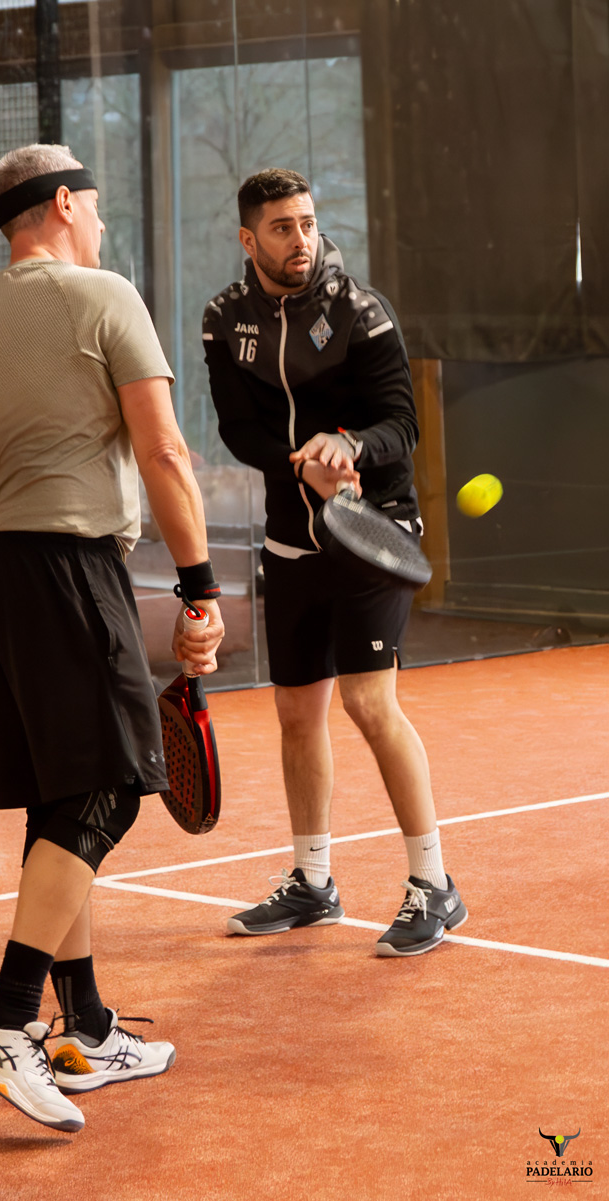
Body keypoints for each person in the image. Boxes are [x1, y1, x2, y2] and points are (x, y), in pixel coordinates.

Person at [0, 143, 224, 1132]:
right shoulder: (103, 296)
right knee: (106, 788)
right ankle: (6, 1020)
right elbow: (163, 448)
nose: (101, 218)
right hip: (67, 572)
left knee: (57, 799)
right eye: (93, 201)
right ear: (60, 206)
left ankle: (83, 1027)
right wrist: (200, 588)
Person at [202, 168, 466, 956]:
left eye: (307, 223)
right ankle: (312, 882)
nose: (300, 240)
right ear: (248, 239)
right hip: (292, 538)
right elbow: (237, 428)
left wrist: (346, 447)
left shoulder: (359, 311)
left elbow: (401, 423)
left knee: (367, 702)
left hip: (373, 527)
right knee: (295, 712)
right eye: (281, 227)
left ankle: (434, 884)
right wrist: (298, 463)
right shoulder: (224, 319)